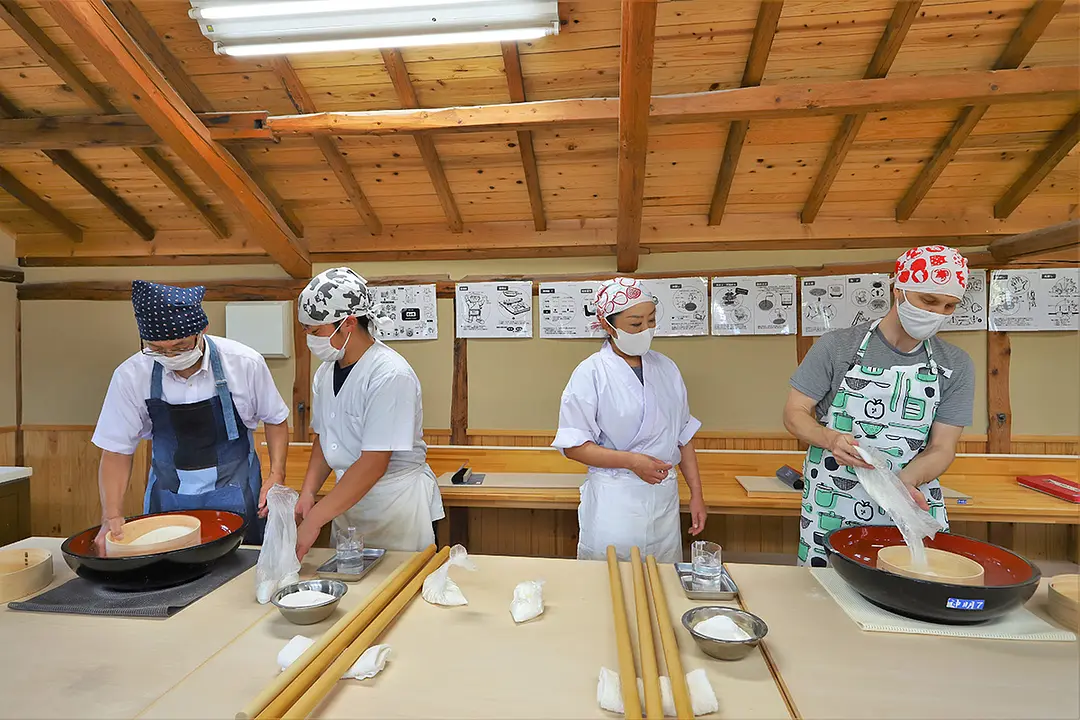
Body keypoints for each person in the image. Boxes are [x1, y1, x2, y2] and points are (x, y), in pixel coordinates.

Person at [783, 246, 975, 567]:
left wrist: (905, 484)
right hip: (834, 497)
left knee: (904, 588)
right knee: (827, 590)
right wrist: (831, 439)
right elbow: (794, 414)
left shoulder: (954, 363)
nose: (938, 314)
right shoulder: (838, 346)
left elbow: (943, 446)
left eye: (949, 306)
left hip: (907, 498)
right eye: (928, 301)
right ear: (898, 287)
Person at [92, 281, 291, 546]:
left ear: (202, 330)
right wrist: (111, 515)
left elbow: (275, 419)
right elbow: (116, 450)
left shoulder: (244, 363)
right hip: (167, 499)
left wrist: (276, 473)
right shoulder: (131, 375)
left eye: (180, 346)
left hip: (237, 495)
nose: (170, 355)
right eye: (158, 348)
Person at [553, 278, 707, 563]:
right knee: (610, 587)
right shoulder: (591, 373)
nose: (646, 331)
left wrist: (696, 495)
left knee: (662, 585)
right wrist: (632, 462)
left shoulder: (667, 368)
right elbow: (574, 446)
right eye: (636, 325)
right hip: (616, 499)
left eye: (651, 321)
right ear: (607, 324)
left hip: (663, 500)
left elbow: (683, 436)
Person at [294, 267, 444, 560]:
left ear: (348, 323)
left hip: (395, 503)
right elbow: (327, 438)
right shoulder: (326, 373)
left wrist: (315, 520)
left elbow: (374, 462)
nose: (310, 339)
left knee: (399, 589)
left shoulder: (389, 374)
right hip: (346, 501)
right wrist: (308, 492)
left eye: (316, 331)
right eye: (307, 330)